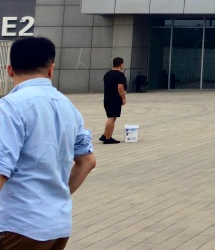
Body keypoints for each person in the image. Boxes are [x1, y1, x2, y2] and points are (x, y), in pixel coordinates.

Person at [0, 37, 96, 249]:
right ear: (51, 69)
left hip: (17, 226)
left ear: (9, 70)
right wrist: (56, 197)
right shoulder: (68, 106)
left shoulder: (9, 108)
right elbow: (87, 161)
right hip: (57, 226)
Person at [101, 57, 127, 144]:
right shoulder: (120, 75)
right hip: (114, 99)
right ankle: (108, 138)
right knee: (112, 118)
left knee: (111, 117)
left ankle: (104, 135)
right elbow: (120, 88)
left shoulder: (107, 74)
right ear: (121, 64)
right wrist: (123, 98)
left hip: (107, 98)